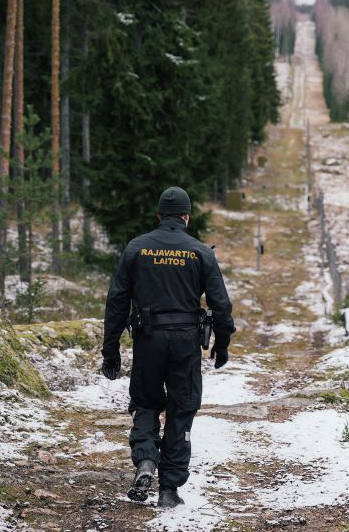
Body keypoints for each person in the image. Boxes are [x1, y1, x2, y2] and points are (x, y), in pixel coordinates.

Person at [100, 186, 235, 508]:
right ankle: (169, 489)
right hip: (186, 342)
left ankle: (146, 460)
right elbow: (221, 305)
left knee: (146, 403)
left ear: (159, 215)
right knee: (181, 410)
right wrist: (222, 343)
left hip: (148, 340)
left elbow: (117, 301)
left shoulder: (137, 248)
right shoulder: (201, 252)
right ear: (186, 217)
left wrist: (111, 349)